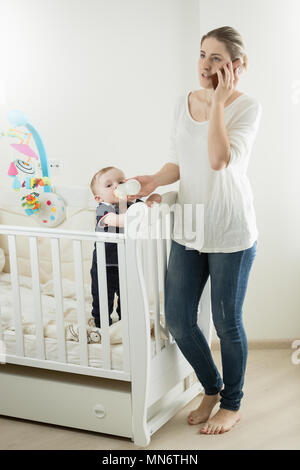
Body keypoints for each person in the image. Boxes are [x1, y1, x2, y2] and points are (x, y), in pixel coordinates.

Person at [123, 26, 262, 435]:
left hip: (230, 229)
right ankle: (212, 388)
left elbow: (219, 160)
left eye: (217, 58)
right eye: (203, 54)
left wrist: (219, 103)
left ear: (237, 66)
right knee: (180, 319)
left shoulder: (247, 107)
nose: (205, 64)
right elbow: (179, 161)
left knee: (226, 323)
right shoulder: (183, 102)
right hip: (189, 225)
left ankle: (232, 403)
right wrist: (153, 180)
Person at [89, 166, 147, 328]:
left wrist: (151, 200)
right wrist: (139, 211)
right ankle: (102, 325)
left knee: (127, 297)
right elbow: (121, 220)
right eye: (109, 185)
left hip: (126, 263)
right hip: (104, 265)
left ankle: (125, 323)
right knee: (102, 298)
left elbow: (145, 208)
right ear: (99, 198)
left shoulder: (131, 204)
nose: (116, 186)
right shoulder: (104, 210)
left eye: (121, 182)